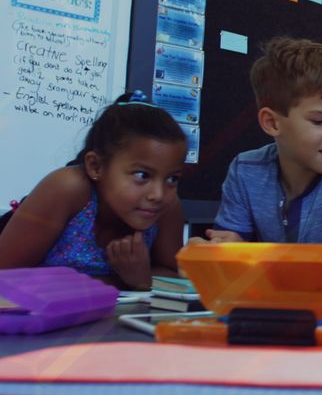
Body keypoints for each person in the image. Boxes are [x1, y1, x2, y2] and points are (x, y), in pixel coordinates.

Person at [204, 38, 322, 244]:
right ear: (272, 122)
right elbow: (230, 252)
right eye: (319, 121)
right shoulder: (245, 170)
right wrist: (215, 253)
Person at [0, 91, 186, 290]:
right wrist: (126, 281)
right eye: (142, 175)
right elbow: (5, 278)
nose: (158, 194)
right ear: (96, 167)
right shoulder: (67, 188)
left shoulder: (167, 206)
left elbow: (175, 277)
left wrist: (141, 278)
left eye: (172, 178)